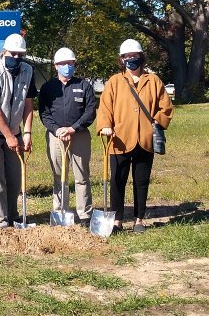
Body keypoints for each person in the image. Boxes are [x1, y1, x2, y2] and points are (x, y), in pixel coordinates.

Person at [97, 39, 173, 234]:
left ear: (141, 57)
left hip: (145, 141)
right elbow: (105, 107)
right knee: (117, 181)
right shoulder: (115, 81)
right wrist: (105, 126)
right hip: (120, 140)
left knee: (141, 182)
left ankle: (139, 219)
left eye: (135, 56)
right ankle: (116, 220)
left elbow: (165, 107)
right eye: (127, 57)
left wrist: (157, 121)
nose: (131, 60)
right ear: (122, 60)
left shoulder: (154, 80)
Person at [0, 33, 37, 228]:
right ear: (5, 52)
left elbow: (28, 105)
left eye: (21, 54)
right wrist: (9, 136)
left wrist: (26, 132)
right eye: (14, 54)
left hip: (15, 133)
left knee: (14, 177)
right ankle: (1, 219)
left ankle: (13, 216)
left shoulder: (28, 71)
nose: (18, 58)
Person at [38, 47, 97, 227]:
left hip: (79, 135)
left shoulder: (84, 85)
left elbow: (90, 111)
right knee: (59, 176)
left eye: (70, 63)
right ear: (56, 66)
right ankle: (60, 211)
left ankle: (85, 213)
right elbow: (44, 113)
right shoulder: (48, 88)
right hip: (56, 137)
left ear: (74, 64)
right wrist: (57, 130)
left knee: (81, 176)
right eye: (63, 63)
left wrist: (73, 128)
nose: (67, 66)